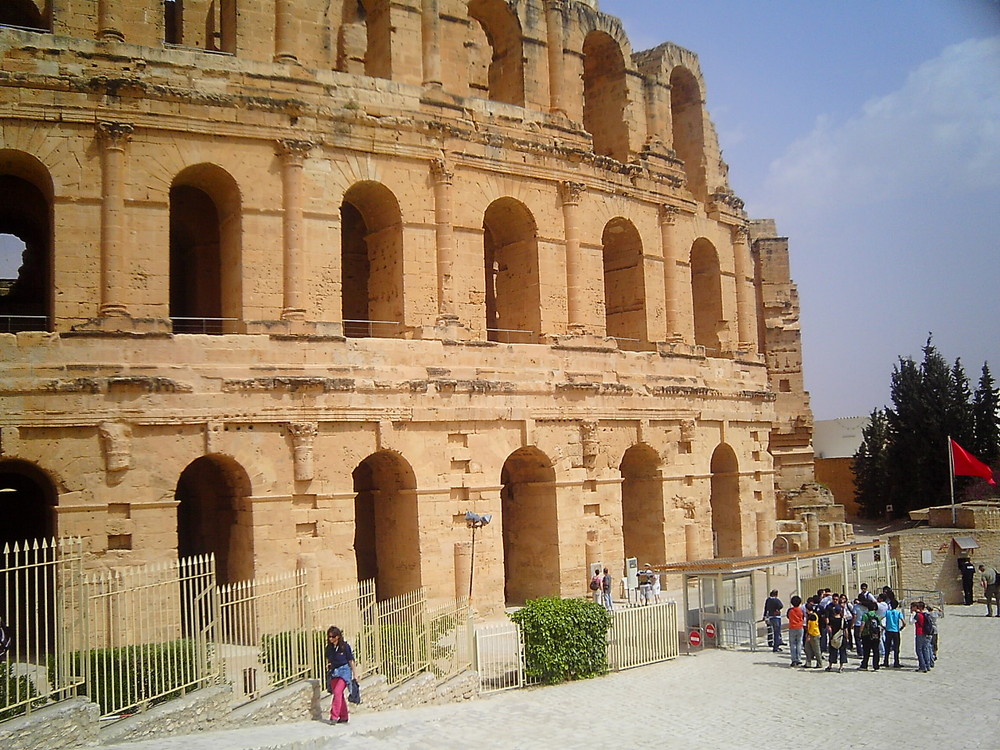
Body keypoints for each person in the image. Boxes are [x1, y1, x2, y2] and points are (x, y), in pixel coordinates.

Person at [326, 626, 360, 724]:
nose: (330, 639)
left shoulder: (345, 647)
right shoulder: (329, 648)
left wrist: (355, 674)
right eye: (329, 637)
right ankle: (344, 716)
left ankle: (334, 716)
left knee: (337, 692)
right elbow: (329, 659)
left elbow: (351, 660)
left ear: (338, 637)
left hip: (344, 671)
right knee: (339, 695)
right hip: (334, 672)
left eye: (332, 637)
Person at [825, 594, 848, 672]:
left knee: (832, 651)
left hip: (834, 636)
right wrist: (847, 638)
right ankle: (841, 667)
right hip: (842, 636)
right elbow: (846, 630)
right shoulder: (843, 620)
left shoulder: (832, 620)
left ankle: (830, 665)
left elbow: (829, 625)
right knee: (842, 651)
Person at [911, 601, 935, 673]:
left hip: (919, 633)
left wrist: (912, 614)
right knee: (925, 649)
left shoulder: (918, 615)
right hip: (925, 633)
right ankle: (927, 665)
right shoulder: (925, 614)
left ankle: (922, 666)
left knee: (919, 650)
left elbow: (911, 622)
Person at [858, 602, 883, 671]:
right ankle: (876, 666)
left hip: (866, 634)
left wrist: (860, 633)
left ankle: (864, 665)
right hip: (875, 635)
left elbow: (862, 625)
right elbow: (880, 625)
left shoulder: (865, 615)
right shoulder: (877, 616)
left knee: (866, 651)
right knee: (876, 650)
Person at [882, 598, 905, 668]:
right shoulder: (898, 613)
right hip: (896, 631)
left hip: (888, 630)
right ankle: (896, 662)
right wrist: (901, 628)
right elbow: (904, 622)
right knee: (896, 647)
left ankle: (886, 661)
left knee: (887, 647)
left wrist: (883, 626)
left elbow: (880, 619)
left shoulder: (887, 612)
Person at [803, 601, 823, 669]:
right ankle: (808, 662)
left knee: (816, 649)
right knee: (807, 648)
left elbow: (812, 627)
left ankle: (819, 663)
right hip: (811, 633)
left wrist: (808, 635)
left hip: (814, 634)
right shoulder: (813, 615)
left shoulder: (813, 616)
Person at [786, 595, 805, 667]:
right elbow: (803, 617)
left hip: (792, 627)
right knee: (799, 643)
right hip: (800, 627)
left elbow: (788, 616)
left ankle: (794, 659)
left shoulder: (790, 610)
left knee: (793, 644)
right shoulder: (801, 610)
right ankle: (799, 659)